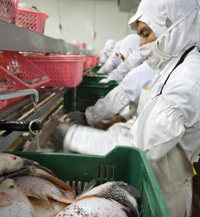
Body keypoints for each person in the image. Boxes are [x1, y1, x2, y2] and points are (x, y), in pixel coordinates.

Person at [53, 0, 200, 216]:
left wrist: (73, 136)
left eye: (146, 33)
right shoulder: (169, 70)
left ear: (173, 27)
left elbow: (140, 147)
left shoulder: (187, 80)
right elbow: (142, 122)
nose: (141, 45)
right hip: (152, 178)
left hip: (165, 195)